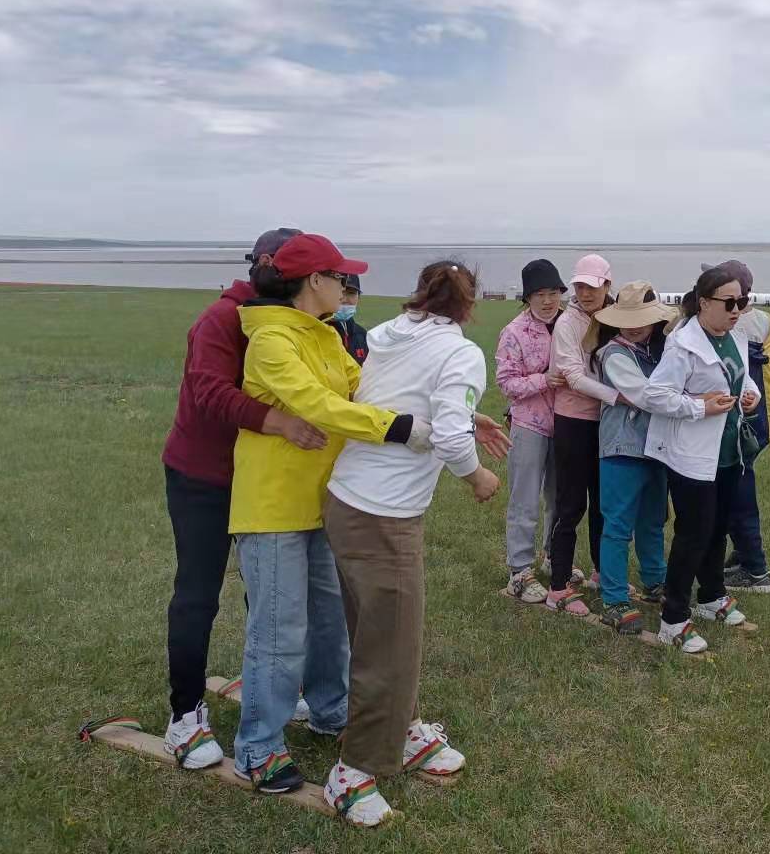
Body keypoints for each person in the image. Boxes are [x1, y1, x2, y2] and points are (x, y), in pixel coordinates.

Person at [229, 233, 429, 793]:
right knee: (279, 629)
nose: (348, 285)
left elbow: (362, 391)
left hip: (325, 501)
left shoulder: (324, 334)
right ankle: (258, 747)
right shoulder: (271, 341)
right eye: (340, 277)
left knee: (328, 621)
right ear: (313, 281)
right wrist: (398, 428)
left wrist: (447, 417)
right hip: (273, 507)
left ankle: (329, 709)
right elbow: (320, 406)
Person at [322, 261, 500, 826]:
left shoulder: (387, 335)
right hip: (385, 514)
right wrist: (478, 476)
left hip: (346, 499)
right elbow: (448, 435)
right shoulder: (461, 352)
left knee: (377, 634)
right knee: (392, 648)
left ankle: (405, 729)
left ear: (421, 294)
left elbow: (407, 397)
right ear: (468, 305)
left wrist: (469, 416)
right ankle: (354, 772)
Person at [161, 227, 333, 770]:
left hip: (260, 480)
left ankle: (268, 689)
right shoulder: (221, 319)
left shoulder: (296, 320)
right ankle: (184, 714)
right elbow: (209, 393)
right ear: (265, 265)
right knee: (199, 592)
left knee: (271, 595)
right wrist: (277, 421)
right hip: (204, 476)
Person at [641, 266, 760, 653]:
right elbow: (654, 395)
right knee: (693, 535)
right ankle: (673, 619)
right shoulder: (683, 344)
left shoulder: (735, 337)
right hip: (690, 456)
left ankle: (711, 596)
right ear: (705, 302)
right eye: (729, 302)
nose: (737, 309)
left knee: (718, 527)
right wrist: (698, 407)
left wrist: (751, 395)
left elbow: (740, 377)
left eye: (742, 301)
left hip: (728, 452)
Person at [702, 260, 770, 594]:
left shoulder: (725, 328)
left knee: (736, 492)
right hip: (764, 420)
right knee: (737, 487)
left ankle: (755, 570)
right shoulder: (768, 322)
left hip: (735, 422)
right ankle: (743, 555)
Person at [592, 281, 680, 633]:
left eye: (641, 319)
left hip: (655, 448)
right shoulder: (614, 354)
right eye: (627, 320)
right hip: (622, 448)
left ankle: (655, 580)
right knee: (617, 525)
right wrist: (690, 401)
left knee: (653, 520)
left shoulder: (659, 350)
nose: (633, 326)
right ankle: (614, 599)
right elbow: (646, 395)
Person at [545, 254, 616, 615]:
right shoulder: (566, 323)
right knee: (571, 505)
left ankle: (602, 574)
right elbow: (572, 376)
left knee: (604, 503)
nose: (585, 293)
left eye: (593, 286)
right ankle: (558, 588)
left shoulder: (615, 317)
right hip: (573, 421)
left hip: (607, 423)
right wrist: (618, 396)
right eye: (580, 286)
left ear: (607, 285)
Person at [496, 259, 567, 603]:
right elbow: (506, 383)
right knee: (524, 499)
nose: (548, 300)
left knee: (560, 498)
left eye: (553, 292)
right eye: (539, 294)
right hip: (528, 425)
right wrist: (544, 380)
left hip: (567, 423)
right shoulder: (514, 332)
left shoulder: (570, 323)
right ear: (527, 297)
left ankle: (554, 556)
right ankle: (519, 570)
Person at [330, 273, 369, 365]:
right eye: (341, 292)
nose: (344, 299)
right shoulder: (316, 331)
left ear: (359, 297)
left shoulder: (362, 335)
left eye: (351, 293)